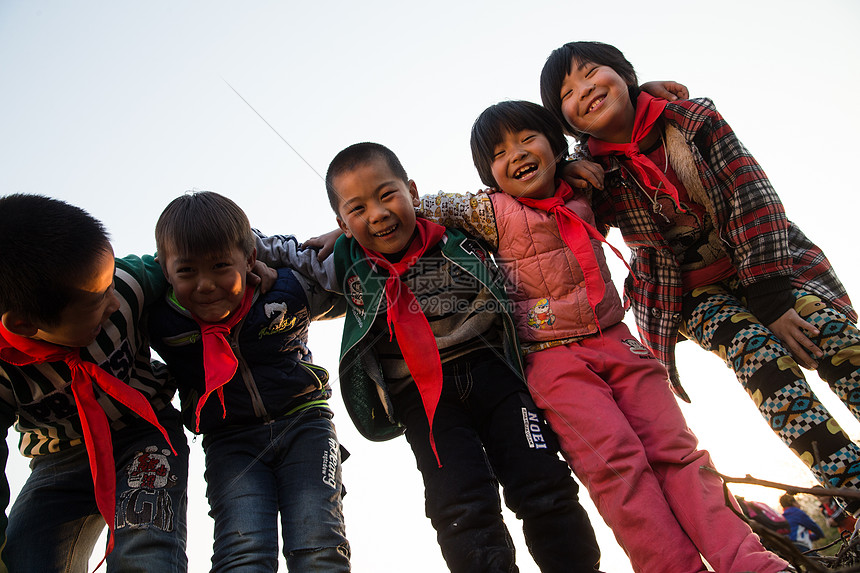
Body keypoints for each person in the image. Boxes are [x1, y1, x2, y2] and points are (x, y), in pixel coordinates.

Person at [416, 100, 788, 572]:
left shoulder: (589, 186)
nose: (517, 154)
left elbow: (619, 133)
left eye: (528, 138)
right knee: (618, 472)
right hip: (553, 362)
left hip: (619, 341)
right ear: (490, 174)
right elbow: (417, 206)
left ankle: (750, 562)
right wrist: (346, 226)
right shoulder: (490, 210)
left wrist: (645, 94)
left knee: (680, 455)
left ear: (555, 144)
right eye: (499, 152)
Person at [539, 40, 860, 507]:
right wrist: (569, 167)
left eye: (592, 73)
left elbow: (753, 196)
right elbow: (564, 209)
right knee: (756, 355)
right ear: (565, 121)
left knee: (827, 334)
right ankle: (851, 485)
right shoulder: (597, 171)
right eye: (568, 92)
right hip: (690, 293)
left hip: (767, 262)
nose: (585, 89)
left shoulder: (693, 120)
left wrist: (773, 300)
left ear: (625, 74)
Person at [313, 141, 602, 573]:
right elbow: (282, 262)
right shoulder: (347, 262)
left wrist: (571, 163)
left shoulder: (455, 230)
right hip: (422, 399)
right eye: (358, 209)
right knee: (459, 505)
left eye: (387, 194)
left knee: (543, 482)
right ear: (342, 222)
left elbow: (518, 199)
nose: (377, 213)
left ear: (413, 191)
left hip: (494, 374)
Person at [147, 191, 350, 571]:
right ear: (165, 270)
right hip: (230, 440)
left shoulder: (287, 290)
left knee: (318, 542)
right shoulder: (160, 319)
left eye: (221, 266)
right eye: (187, 271)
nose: (206, 285)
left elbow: (352, 279)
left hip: (305, 424)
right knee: (244, 551)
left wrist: (350, 231)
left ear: (250, 260)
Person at [0, 194, 189, 572]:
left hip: (144, 432)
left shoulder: (127, 283)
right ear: (23, 324)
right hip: (60, 459)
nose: (114, 303)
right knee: (24, 559)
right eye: (99, 300)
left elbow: (204, 253)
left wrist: (268, 264)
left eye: (111, 285)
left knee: (145, 547)